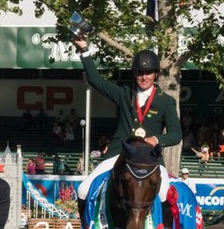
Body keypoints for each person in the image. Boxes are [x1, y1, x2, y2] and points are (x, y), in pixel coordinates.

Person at [72, 36, 182, 205]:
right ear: (134, 73)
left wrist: (156, 139)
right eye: (140, 72)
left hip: (150, 158)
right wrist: (84, 50)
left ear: (156, 74)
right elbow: (95, 80)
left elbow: (176, 135)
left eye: (148, 73)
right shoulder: (124, 94)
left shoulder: (165, 101)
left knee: (164, 194)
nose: (144, 77)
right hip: (119, 153)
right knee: (84, 189)